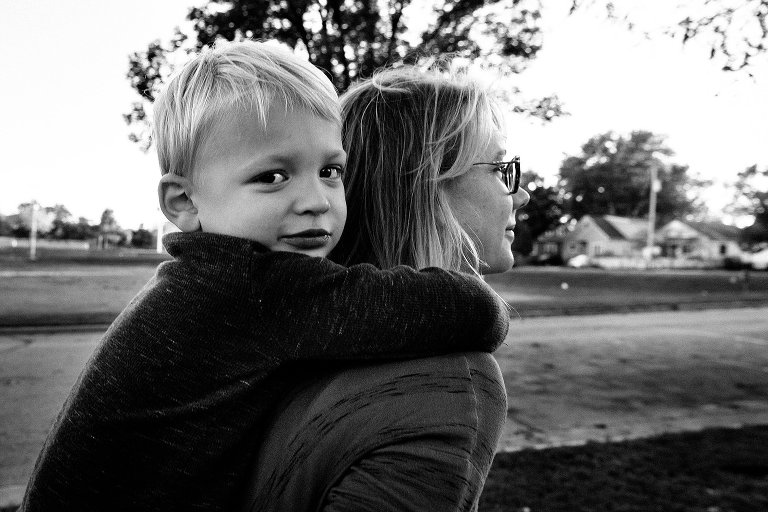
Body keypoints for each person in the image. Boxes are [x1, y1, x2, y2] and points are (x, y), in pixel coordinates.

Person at [20, 43, 511, 512]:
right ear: (182, 202)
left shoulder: (204, 282)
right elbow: (463, 311)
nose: (316, 199)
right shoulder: (248, 289)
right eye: (273, 177)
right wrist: (483, 301)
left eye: (332, 171)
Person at [241, 63, 530, 511]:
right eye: (502, 167)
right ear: (424, 187)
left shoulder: (279, 334)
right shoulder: (447, 387)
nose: (521, 194)